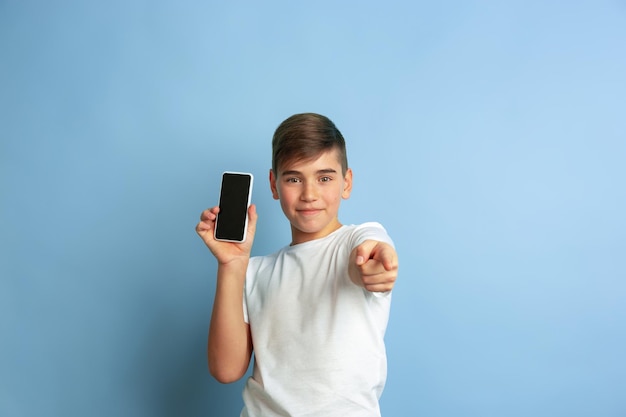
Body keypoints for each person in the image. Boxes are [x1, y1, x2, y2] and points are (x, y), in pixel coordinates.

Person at [196, 113, 399, 417]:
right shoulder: (253, 272)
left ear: (347, 182)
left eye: (324, 178)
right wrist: (231, 264)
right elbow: (226, 370)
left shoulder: (357, 240)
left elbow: (372, 252)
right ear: (274, 185)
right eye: (293, 178)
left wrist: (376, 266)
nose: (309, 194)